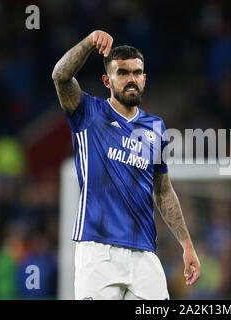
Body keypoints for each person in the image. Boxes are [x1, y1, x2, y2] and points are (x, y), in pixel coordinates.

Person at [52, 30, 200, 300]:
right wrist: (88, 42)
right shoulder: (88, 113)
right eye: (123, 73)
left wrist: (186, 244)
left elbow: (163, 190)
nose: (131, 79)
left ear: (144, 79)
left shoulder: (155, 127)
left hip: (144, 253)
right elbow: (60, 76)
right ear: (107, 80)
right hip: (98, 252)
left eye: (137, 73)